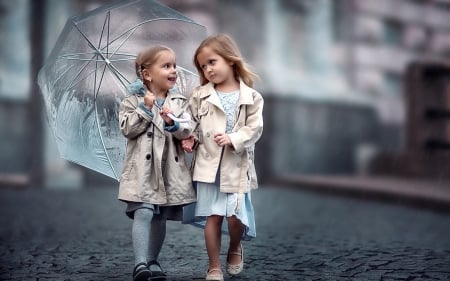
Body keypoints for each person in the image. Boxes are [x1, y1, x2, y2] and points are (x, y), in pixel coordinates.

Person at [182, 34, 264, 281]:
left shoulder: (251, 97)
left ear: (230, 60)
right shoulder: (200, 95)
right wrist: (189, 137)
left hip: (236, 166)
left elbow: (255, 128)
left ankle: (235, 246)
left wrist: (234, 138)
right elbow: (191, 122)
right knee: (213, 216)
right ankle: (214, 266)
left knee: (234, 217)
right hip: (208, 166)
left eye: (212, 62)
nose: (208, 69)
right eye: (203, 66)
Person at [118, 45, 196, 281]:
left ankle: (152, 260)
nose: (173, 70)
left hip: (168, 170)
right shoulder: (132, 101)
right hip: (142, 170)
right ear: (147, 74)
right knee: (143, 212)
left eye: (174, 65)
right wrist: (146, 109)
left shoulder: (179, 102)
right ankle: (140, 263)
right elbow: (127, 129)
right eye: (166, 66)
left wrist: (173, 123)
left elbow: (189, 129)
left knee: (159, 217)